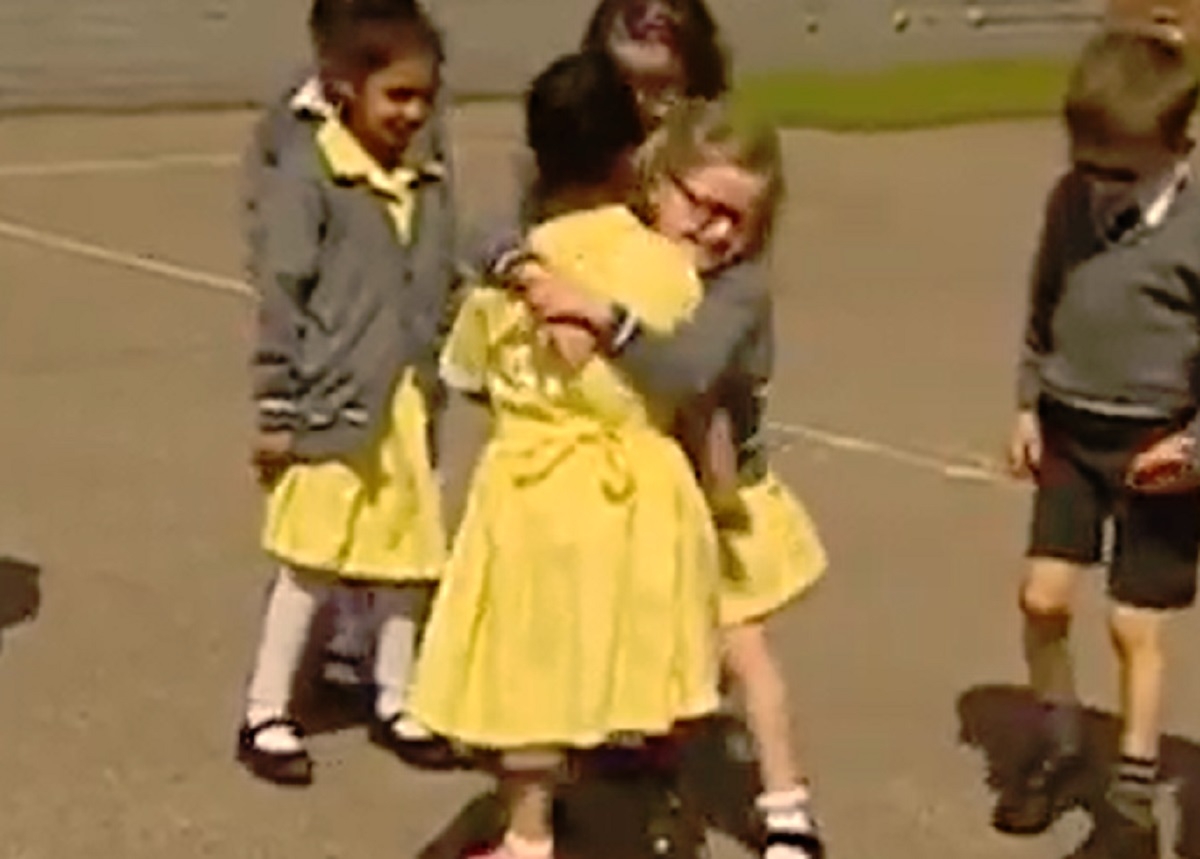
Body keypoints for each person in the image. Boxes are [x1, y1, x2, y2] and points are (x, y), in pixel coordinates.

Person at [407, 50, 723, 859]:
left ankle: (527, 828)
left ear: (536, 158)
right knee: (631, 643)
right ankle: (653, 809)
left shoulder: (511, 271)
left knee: (529, 658)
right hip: (635, 483)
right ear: (633, 154)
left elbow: (467, 373)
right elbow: (688, 377)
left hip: (534, 481)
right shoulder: (664, 266)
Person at [496, 98, 828, 859]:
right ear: (657, 183)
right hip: (638, 496)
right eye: (701, 205)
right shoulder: (626, 247)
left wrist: (598, 316)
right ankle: (603, 781)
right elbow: (493, 237)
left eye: (735, 218)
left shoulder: (738, 289)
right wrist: (521, 269)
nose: (714, 230)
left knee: (742, 649)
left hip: (717, 496)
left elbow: (685, 368)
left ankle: (786, 808)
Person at [236, 0, 455, 786]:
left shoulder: (425, 177)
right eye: (396, 96)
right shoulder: (313, 175)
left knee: (407, 560)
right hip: (331, 402)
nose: (414, 113)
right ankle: (267, 709)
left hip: (404, 404)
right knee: (311, 561)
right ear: (342, 90)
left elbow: (440, 276)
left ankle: (397, 697)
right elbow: (282, 300)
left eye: (424, 97)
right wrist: (277, 409)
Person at [1001, 28, 1200, 859]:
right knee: (1042, 598)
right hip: (1071, 427)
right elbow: (1043, 304)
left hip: (1162, 447)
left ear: (1177, 148)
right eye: (1088, 164)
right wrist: (1025, 403)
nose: (1100, 185)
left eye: (1120, 171)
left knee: (1133, 626)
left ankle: (1132, 797)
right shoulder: (1068, 202)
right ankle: (1058, 741)